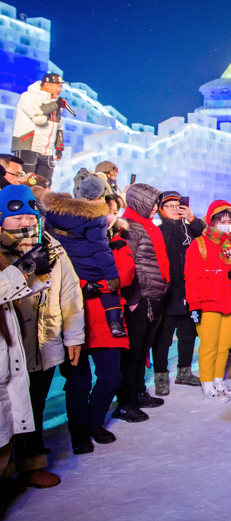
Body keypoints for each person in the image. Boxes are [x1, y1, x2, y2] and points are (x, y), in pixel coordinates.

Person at [0, 185, 82, 488]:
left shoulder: (52, 246)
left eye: (30, 215)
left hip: (43, 343)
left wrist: (74, 335)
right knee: (6, 411)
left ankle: (31, 463)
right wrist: (26, 267)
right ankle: (6, 470)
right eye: (17, 217)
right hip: (9, 349)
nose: (26, 222)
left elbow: (69, 292)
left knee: (35, 405)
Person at [58, 194, 136, 455]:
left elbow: (123, 275)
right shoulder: (66, 246)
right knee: (78, 383)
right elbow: (61, 279)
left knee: (111, 378)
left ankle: (93, 423)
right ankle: (79, 433)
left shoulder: (118, 244)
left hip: (107, 320)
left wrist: (94, 284)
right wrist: (83, 284)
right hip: (74, 322)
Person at [0, 212, 55, 480]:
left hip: (11, 350)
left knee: (8, 430)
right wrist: (23, 268)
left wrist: (37, 275)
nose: (25, 222)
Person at [114, 183, 170, 422]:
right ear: (139, 202)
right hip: (140, 298)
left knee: (142, 349)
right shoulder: (130, 228)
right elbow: (127, 264)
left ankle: (138, 392)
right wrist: (133, 298)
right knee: (133, 353)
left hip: (153, 296)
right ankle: (126, 402)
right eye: (153, 203)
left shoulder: (148, 226)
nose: (156, 208)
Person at [43, 174, 125, 338]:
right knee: (108, 288)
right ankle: (115, 323)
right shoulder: (95, 217)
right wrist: (112, 277)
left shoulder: (55, 211)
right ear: (102, 196)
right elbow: (100, 249)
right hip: (87, 269)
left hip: (61, 266)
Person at [185, 201, 231, 402]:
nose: (225, 224)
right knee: (209, 345)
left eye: (229, 220)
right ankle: (207, 383)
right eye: (220, 220)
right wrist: (194, 305)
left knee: (224, 347)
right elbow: (191, 276)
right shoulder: (200, 244)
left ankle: (218, 380)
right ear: (212, 221)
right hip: (208, 304)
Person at [151, 191, 206, 396]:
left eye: (178, 204)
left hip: (189, 292)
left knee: (188, 335)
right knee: (163, 338)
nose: (175, 208)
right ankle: (161, 377)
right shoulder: (157, 230)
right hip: (166, 294)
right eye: (170, 205)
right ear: (161, 209)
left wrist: (192, 218)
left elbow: (207, 238)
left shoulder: (190, 229)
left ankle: (184, 372)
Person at [12, 74, 69, 185]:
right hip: (28, 146)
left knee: (44, 184)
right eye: (58, 86)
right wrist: (55, 104)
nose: (60, 89)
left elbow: (59, 126)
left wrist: (59, 146)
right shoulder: (28, 96)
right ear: (47, 85)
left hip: (47, 150)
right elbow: (35, 112)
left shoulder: (56, 103)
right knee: (26, 182)